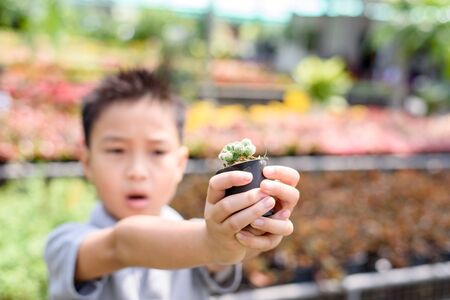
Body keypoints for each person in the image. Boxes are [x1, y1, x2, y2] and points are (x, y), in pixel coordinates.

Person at [44, 68, 301, 300]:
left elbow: (224, 254)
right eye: (116, 150)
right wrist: (212, 242)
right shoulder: (67, 244)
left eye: (157, 152)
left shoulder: (201, 239)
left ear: (180, 164)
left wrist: (250, 230)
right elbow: (122, 244)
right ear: (87, 163)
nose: (137, 172)